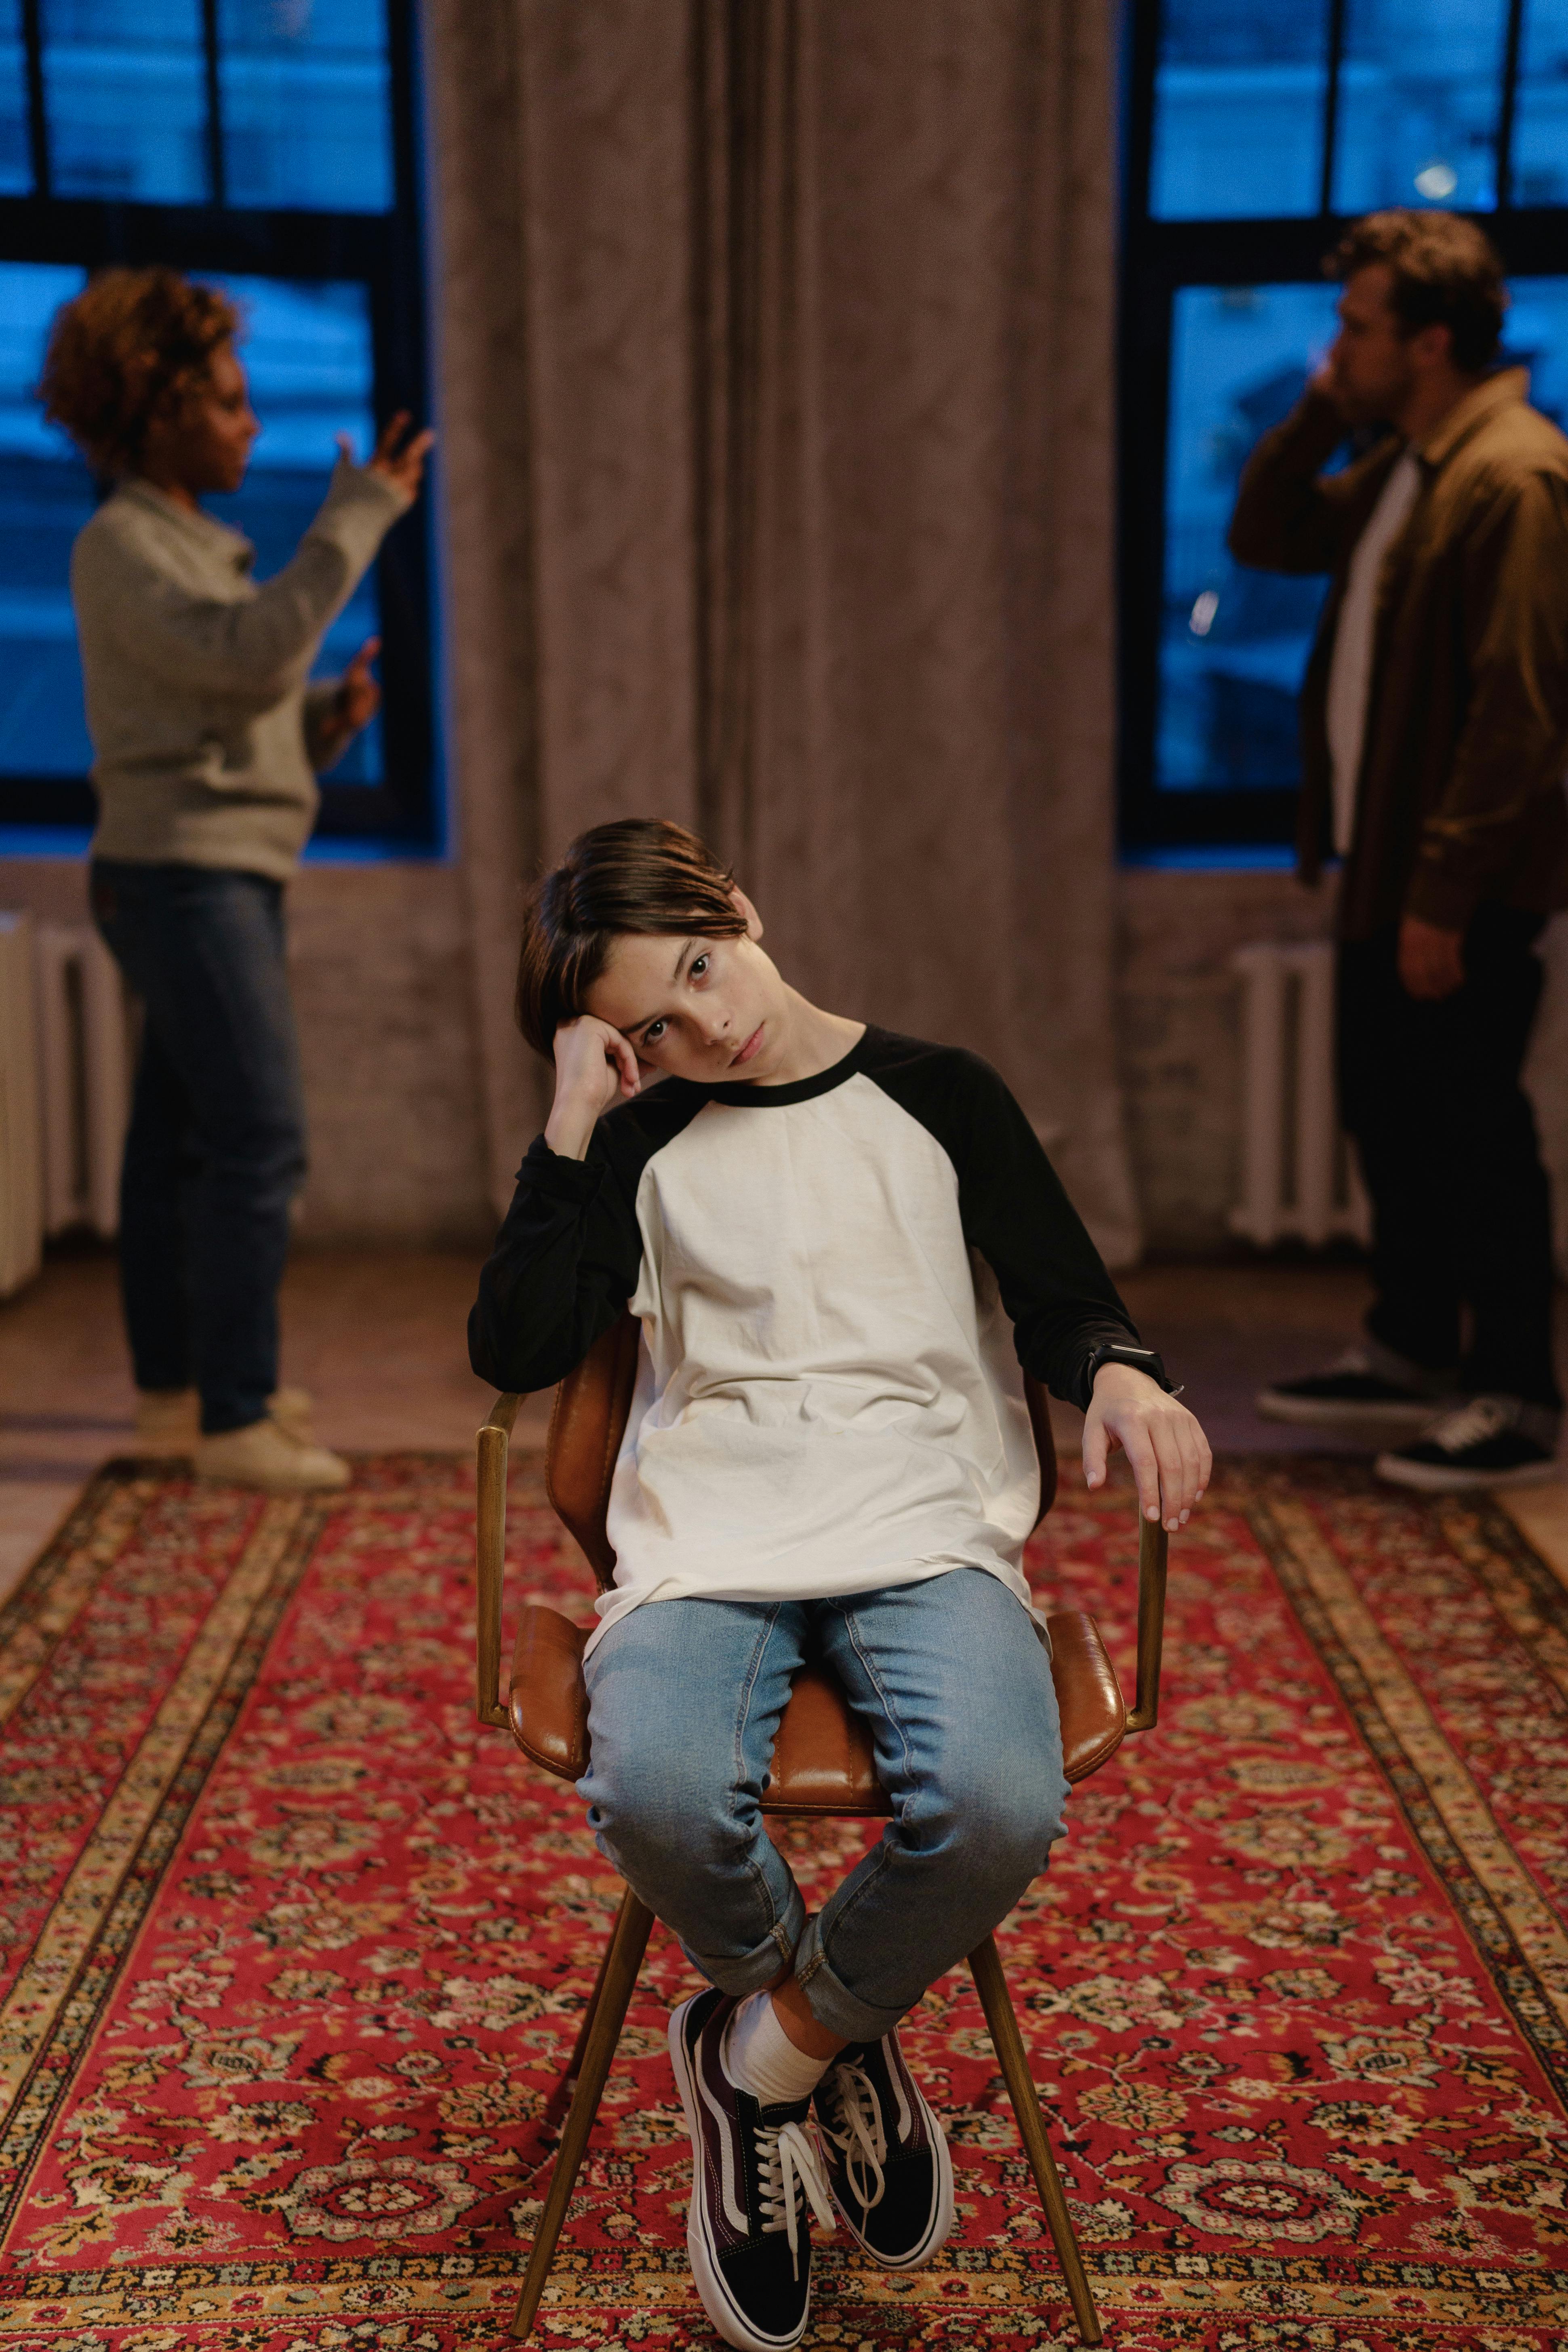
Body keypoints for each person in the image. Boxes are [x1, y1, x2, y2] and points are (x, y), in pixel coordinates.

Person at [469, 817, 1210, 2352]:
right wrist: (567, 1122)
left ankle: (757, 2056)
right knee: (658, 1795)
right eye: (653, 1023)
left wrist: (1125, 1378)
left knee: (998, 1804)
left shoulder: (941, 1095)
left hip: (923, 1519)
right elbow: (518, 1349)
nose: (706, 1021)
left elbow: (1072, 1301)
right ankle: (834, 2032)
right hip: (710, 1533)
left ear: (734, 904)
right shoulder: (641, 1141)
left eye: (696, 963)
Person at [39, 267, 431, 1491]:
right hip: (183, 878)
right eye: (225, 398)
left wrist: (323, 719)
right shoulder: (123, 546)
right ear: (157, 412)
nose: (249, 420)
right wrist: (353, 520)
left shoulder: (175, 546)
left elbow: (220, 702)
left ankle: (179, 1400)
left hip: (202, 870)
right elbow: (246, 655)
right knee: (259, 1139)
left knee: (175, 1144)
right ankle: (235, 1414)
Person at [1230, 211, 1568, 1493]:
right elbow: (1264, 538)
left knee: (1474, 1130)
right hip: (1386, 870)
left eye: (1355, 330)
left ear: (1428, 341)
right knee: (1392, 1116)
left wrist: (1445, 891)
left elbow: (1520, 708)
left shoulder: (1512, 476)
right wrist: (1322, 412)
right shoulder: (1408, 462)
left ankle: (1517, 1397)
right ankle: (1416, 1348)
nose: (1335, 349)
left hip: (1454, 888)